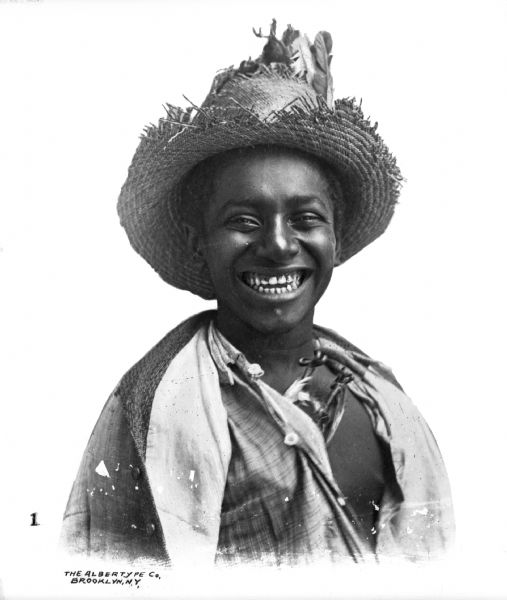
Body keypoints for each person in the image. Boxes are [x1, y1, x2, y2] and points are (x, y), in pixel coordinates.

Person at [60, 21, 454, 567]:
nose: (277, 245)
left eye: (306, 218)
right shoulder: (152, 406)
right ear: (200, 245)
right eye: (244, 220)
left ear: (335, 238)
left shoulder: (379, 400)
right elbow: (97, 570)